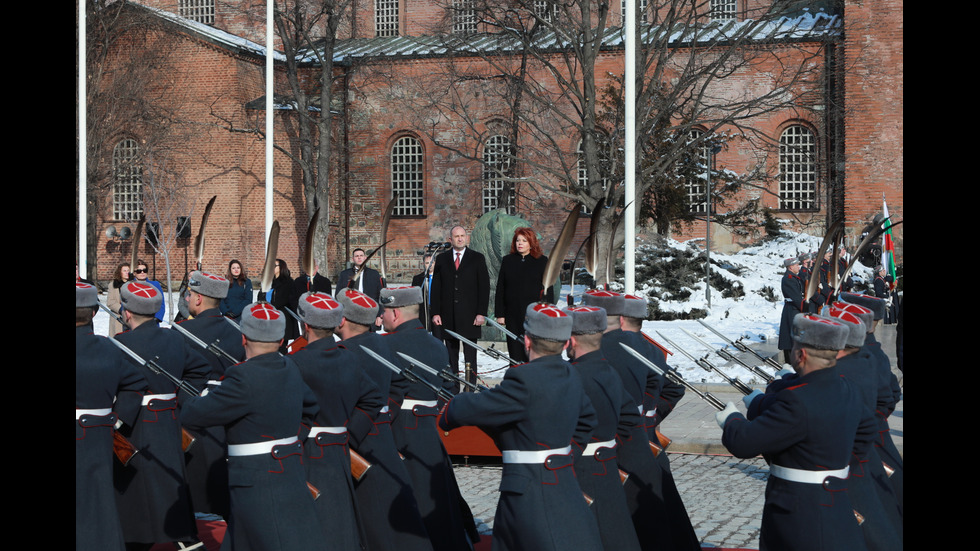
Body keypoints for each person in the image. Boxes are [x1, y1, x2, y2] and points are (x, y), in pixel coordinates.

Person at [438, 303, 603, 551]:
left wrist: (451, 409)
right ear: (566, 343)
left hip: (528, 487)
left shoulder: (523, 377)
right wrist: (562, 457)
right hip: (562, 479)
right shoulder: (571, 374)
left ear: (527, 341)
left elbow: (477, 407)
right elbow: (587, 420)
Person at [720, 313, 877, 551]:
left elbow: (744, 443)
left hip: (799, 507)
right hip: (835, 497)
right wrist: (838, 469)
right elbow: (867, 431)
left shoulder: (797, 399)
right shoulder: (849, 388)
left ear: (800, 355)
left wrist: (731, 419)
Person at [180, 302, 324, 550]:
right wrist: (287, 444)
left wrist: (202, 393)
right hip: (287, 467)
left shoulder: (242, 376)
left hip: (254, 478)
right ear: (280, 341)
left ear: (243, 338)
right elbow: (310, 408)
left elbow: (193, 415)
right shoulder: (289, 366)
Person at [583, 290, 701, 551]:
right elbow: (673, 388)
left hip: (613, 449)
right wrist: (649, 416)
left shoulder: (598, 355)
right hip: (640, 442)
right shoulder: (647, 347)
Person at [113, 281, 211, 551]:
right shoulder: (173, 338)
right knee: (168, 478)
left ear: (127, 313)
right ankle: (182, 537)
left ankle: (138, 538)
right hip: (168, 420)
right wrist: (175, 401)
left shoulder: (121, 344)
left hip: (136, 422)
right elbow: (201, 368)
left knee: (134, 483)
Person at [335, 288, 435, 551]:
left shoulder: (344, 352)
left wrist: (353, 431)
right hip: (381, 436)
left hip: (356, 441)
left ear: (342, 320)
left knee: (372, 517)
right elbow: (399, 384)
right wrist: (384, 414)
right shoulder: (380, 343)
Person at [380, 286, 478, 551]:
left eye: (385, 311)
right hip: (428, 430)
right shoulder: (437, 345)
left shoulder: (385, 345)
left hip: (400, 430)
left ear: (396, 314)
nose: (382, 316)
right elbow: (447, 391)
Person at [291, 292, 384, 550]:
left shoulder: (295, 362)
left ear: (305, 325)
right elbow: (373, 399)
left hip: (307, 453)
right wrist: (349, 434)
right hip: (339, 450)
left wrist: (297, 438)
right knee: (339, 524)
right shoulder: (349, 358)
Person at [564, 305, 643, 551]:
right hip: (607, 465)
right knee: (615, 536)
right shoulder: (608, 370)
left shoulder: (571, 376)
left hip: (582, 469)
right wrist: (608, 445)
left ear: (571, 340)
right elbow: (630, 417)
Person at [77, 282, 148, 551]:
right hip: (98, 436)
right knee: (99, 505)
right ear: (94, 312)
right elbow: (135, 382)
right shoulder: (108, 348)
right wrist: (116, 419)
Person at [173, 270, 246, 519]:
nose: (189, 298)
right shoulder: (239, 331)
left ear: (198, 299)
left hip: (193, 414)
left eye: (191, 294)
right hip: (231, 413)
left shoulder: (181, 332)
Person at [431, 226, 490, 389]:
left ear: (467, 237)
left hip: (470, 316)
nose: (460, 239)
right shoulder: (442, 259)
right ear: (451, 239)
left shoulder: (477, 258)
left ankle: (470, 386)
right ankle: (453, 385)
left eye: (462, 236)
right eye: (456, 236)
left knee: (470, 355)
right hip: (448, 315)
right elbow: (436, 287)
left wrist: (481, 313)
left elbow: (484, 287)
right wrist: (435, 312)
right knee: (451, 355)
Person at [494, 227, 554, 362]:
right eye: (517, 240)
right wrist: (500, 314)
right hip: (512, 314)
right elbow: (501, 288)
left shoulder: (542, 261)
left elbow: (548, 289)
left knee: (532, 350)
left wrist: (547, 312)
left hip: (534, 315)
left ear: (531, 243)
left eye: (524, 240)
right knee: (514, 350)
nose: (520, 243)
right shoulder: (508, 261)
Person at [778, 257, 806, 364]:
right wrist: (805, 308)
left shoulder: (794, 277)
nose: (798, 267)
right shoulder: (788, 278)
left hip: (795, 309)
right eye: (796, 265)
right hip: (792, 310)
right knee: (790, 338)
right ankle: (790, 362)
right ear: (790, 267)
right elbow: (796, 298)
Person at [269, 258, 299, 352]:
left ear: (281, 267)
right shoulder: (269, 282)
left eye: (274, 266)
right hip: (269, 318)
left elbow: (283, 299)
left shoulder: (288, 282)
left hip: (282, 318)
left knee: (281, 347)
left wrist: (271, 306)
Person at [411, 253, 440, 338]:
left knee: (437, 337)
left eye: (432, 263)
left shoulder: (440, 277)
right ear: (423, 264)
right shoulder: (418, 279)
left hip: (437, 312)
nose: (430, 265)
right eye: (427, 263)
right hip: (423, 312)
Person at [107, 262, 131, 336]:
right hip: (118, 317)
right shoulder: (113, 285)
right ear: (119, 272)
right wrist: (121, 309)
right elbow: (110, 302)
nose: (127, 273)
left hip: (132, 318)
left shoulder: (133, 284)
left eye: (128, 270)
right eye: (124, 271)